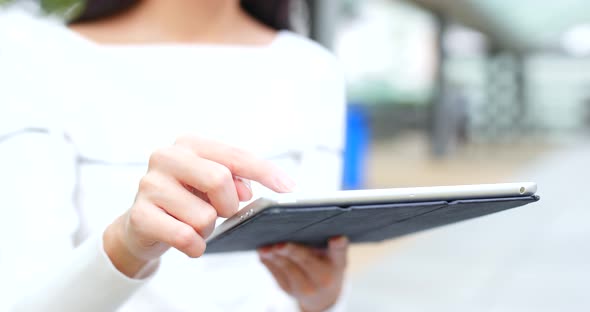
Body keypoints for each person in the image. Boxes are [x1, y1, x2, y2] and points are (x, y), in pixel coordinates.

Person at [0, 0, 348, 311]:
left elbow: (309, 290)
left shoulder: (313, 70)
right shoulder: (36, 60)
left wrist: (319, 299)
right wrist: (127, 246)